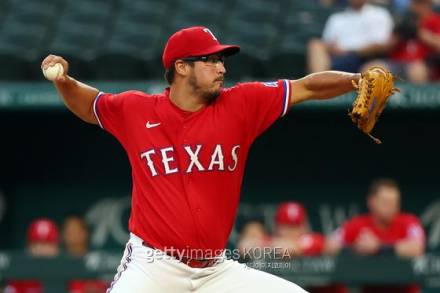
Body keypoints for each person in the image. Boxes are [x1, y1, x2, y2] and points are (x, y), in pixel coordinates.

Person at [41, 26, 362, 292]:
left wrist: (356, 81)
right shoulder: (137, 110)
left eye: (221, 60)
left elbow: (305, 87)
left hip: (215, 270)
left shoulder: (242, 104)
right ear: (181, 67)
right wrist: (64, 81)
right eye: (210, 60)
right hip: (154, 266)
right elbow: (90, 105)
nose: (222, 67)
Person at [325, 178, 425, 293]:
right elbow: (329, 246)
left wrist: (379, 247)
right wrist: (355, 249)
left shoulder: (409, 221)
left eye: (395, 202)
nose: (391, 207)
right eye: (386, 202)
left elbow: (417, 248)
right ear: (371, 201)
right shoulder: (358, 224)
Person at [308, 0, 393, 73]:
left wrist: (350, 51)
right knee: (315, 44)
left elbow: (379, 45)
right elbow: (327, 44)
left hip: (366, 60)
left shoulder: (380, 14)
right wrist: (334, 49)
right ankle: (319, 86)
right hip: (339, 59)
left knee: (376, 68)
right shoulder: (336, 18)